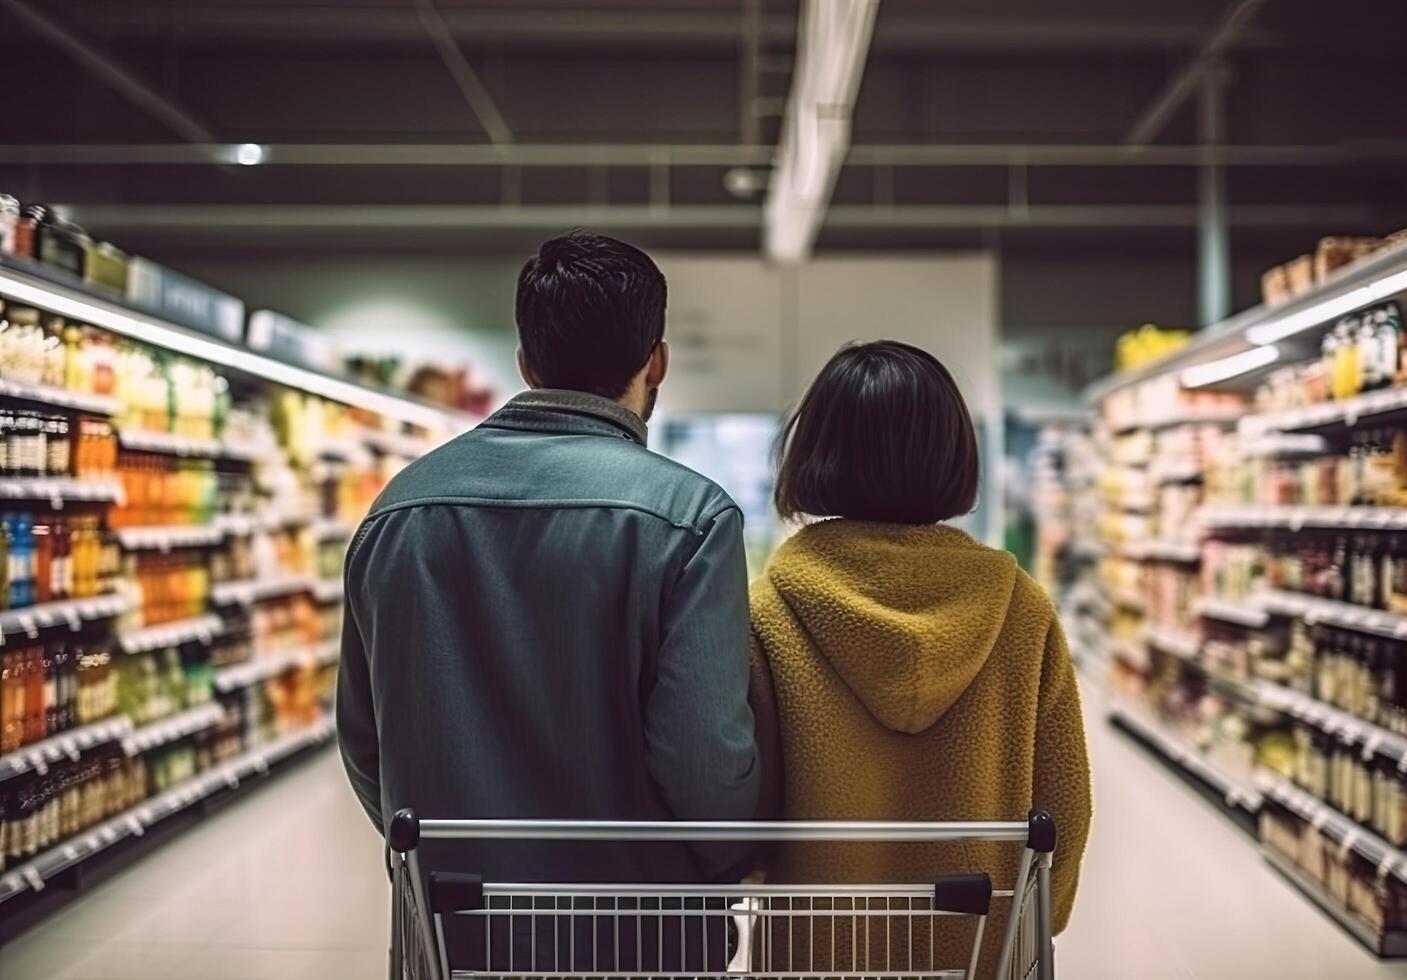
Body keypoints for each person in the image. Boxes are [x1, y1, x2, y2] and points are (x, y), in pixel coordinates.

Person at [336, 231, 761, 971]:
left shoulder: (397, 511)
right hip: (638, 935)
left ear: (526, 361)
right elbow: (702, 758)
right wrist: (728, 864)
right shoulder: (691, 518)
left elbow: (367, 741)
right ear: (656, 361)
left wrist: (445, 854)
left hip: (455, 932)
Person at [747, 340, 1092, 973]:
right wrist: (1044, 917)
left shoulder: (770, 610)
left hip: (819, 948)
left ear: (814, 451)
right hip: (980, 947)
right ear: (954, 454)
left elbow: (750, 799)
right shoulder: (1020, 610)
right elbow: (1064, 803)